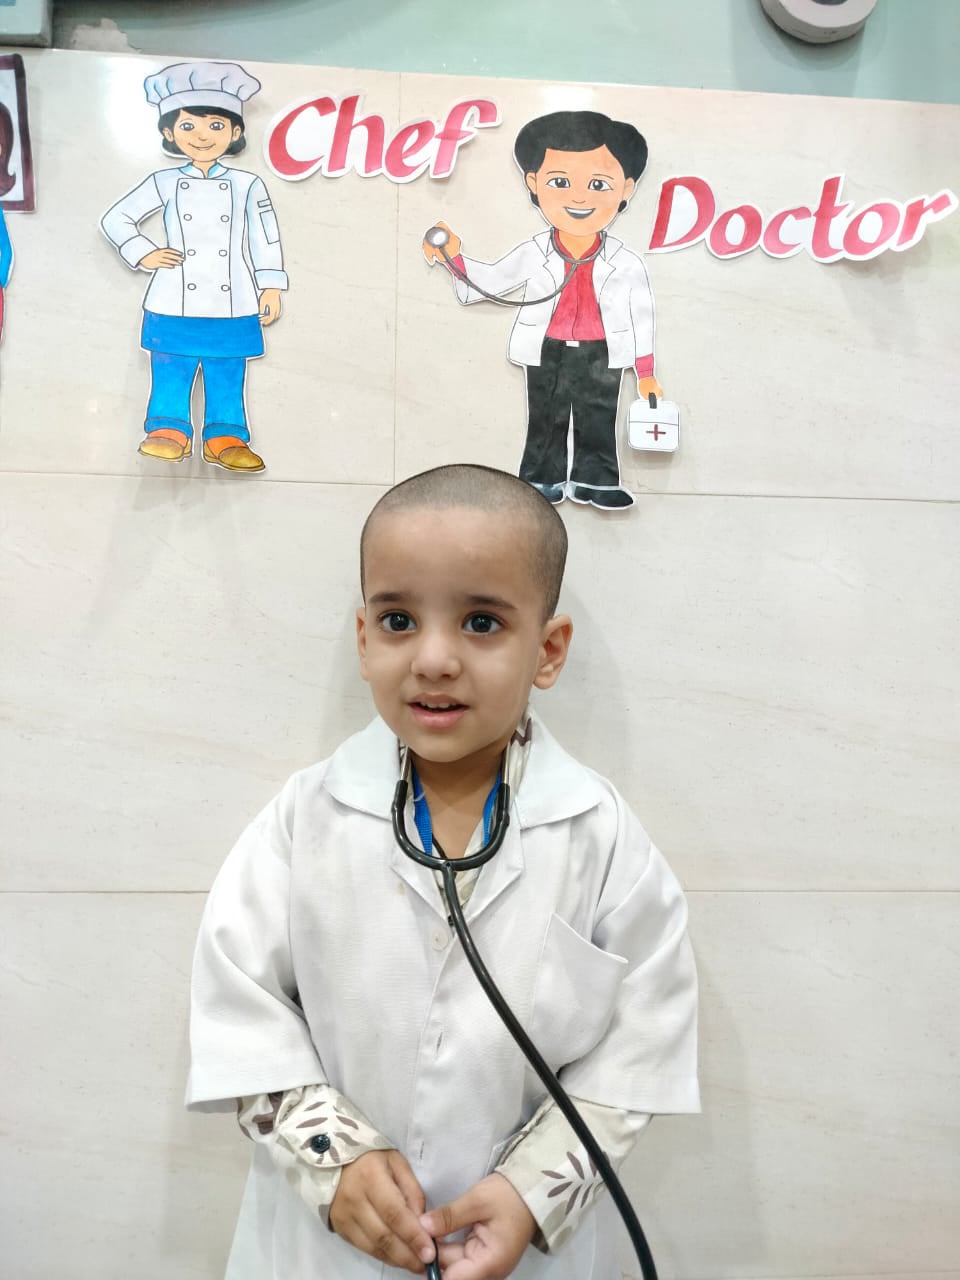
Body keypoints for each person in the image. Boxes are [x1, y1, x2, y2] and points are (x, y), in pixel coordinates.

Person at [188, 464, 699, 1280]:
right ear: (364, 640)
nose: (433, 659)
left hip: (528, 1254)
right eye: (398, 620)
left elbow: (644, 1042)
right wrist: (331, 1157)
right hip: (327, 1248)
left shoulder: (600, 837)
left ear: (548, 650)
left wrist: (535, 1191)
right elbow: (237, 1005)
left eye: (482, 623)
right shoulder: (306, 817)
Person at [423, 111, 663, 511]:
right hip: (547, 346)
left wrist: (647, 372)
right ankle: (540, 479)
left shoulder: (626, 262)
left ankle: (596, 481)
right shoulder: (535, 251)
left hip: (602, 349)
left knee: (599, 415)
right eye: (560, 182)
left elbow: (642, 316)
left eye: (598, 184)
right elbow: (494, 280)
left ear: (626, 189)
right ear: (533, 184)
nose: (579, 198)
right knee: (546, 416)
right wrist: (454, 258)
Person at [101, 61, 288, 473]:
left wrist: (271, 285)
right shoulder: (164, 181)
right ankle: (168, 429)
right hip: (173, 295)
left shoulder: (247, 184)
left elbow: (265, 236)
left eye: (216, 126)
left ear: (235, 133)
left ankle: (226, 436)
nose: (202, 136)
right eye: (188, 126)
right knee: (170, 364)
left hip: (233, 297)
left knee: (227, 369)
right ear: (169, 133)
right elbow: (117, 218)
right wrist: (143, 251)